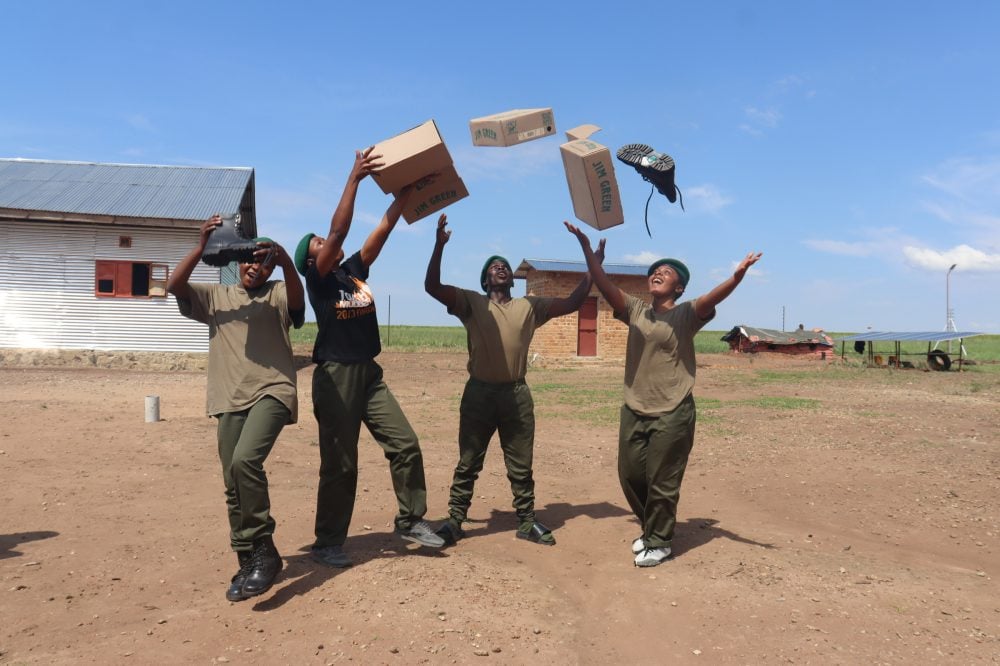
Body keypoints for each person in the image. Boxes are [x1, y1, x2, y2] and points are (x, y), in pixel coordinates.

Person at [565, 221, 762, 567]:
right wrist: (587, 249)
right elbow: (603, 283)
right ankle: (653, 527)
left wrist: (737, 277)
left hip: (672, 409)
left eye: (666, 272)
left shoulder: (687, 314)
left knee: (662, 480)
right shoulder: (636, 310)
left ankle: (660, 541)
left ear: (679, 287)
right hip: (634, 405)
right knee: (630, 475)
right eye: (654, 271)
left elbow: (711, 298)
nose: (657, 273)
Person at [294, 148, 444, 568]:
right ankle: (327, 542)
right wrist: (355, 178)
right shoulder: (319, 280)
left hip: (368, 373)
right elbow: (338, 231)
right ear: (312, 260)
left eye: (323, 240)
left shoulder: (352, 273)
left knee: (405, 444)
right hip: (336, 376)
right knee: (341, 464)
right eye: (318, 243)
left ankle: (411, 519)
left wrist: (408, 192)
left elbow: (383, 227)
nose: (327, 242)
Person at [425, 214, 605, 546]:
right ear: (485, 281)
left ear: (511, 280)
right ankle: (455, 520)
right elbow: (432, 287)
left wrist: (592, 264)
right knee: (469, 461)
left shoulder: (530, 306)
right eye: (494, 266)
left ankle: (526, 521)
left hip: (516, 395)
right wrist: (439, 246)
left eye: (505, 266)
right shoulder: (471, 303)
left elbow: (574, 302)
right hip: (479, 394)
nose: (501, 267)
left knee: (521, 463)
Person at [168, 217, 305, 600]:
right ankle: (248, 560)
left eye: (264, 263)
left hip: (272, 391)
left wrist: (286, 262)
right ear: (238, 262)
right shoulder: (216, 297)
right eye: (249, 260)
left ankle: (265, 550)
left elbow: (297, 304)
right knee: (233, 483)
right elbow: (174, 285)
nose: (255, 268)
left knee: (246, 461)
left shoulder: (278, 292)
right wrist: (201, 247)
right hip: (227, 398)